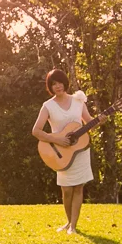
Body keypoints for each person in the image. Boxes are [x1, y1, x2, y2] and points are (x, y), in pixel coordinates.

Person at [32, 69, 93, 235]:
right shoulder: (48, 106)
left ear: (65, 83)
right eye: (53, 84)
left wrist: (100, 120)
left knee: (79, 188)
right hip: (60, 153)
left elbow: (89, 121)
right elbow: (36, 131)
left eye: (59, 82)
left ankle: (73, 225)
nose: (57, 86)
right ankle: (68, 222)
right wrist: (57, 139)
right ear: (50, 87)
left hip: (79, 150)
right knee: (66, 190)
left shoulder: (78, 101)